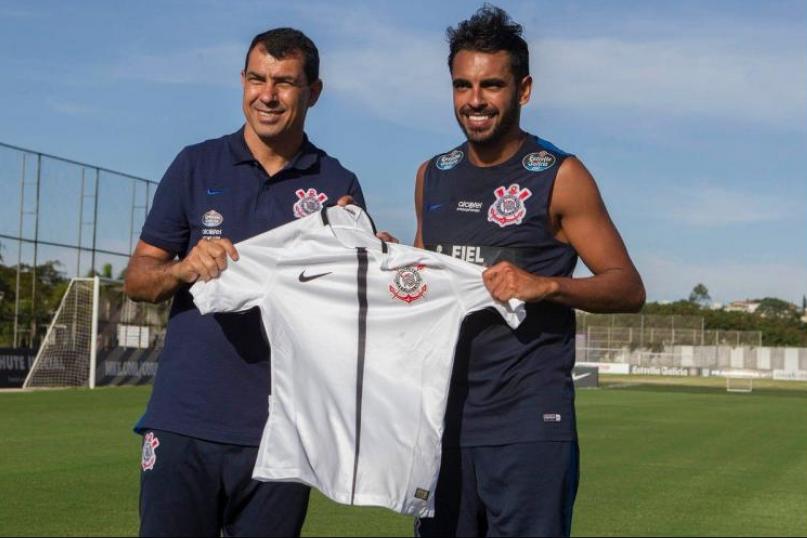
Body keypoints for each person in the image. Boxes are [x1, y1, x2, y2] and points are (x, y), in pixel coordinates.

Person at [124, 28, 373, 537]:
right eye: (257, 79)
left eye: (285, 82)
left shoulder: (337, 185)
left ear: (313, 92)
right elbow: (138, 280)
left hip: (284, 432)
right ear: (242, 81)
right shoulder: (196, 164)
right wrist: (182, 268)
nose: (268, 95)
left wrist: (370, 254)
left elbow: (355, 310)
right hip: (184, 420)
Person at [413, 6, 645, 537]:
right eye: (463, 85)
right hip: (440, 421)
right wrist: (383, 258)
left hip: (528, 424)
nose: (475, 100)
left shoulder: (561, 175)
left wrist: (547, 285)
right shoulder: (432, 175)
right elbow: (423, 284)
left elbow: (628, 287)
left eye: (492, 85)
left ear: (524, 89)